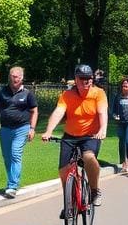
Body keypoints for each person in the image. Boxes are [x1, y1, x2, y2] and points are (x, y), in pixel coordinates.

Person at [42, 64, 109, 206]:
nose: (86, 81)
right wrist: (49, 131)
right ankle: (69, 202)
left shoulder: (98, 93)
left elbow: (102, 111)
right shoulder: (67, 95)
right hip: (70, 136)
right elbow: (59, 112)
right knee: (63, 170)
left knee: (88, 157)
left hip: (91, 136)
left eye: (89, 78)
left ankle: (94, 190)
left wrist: (102, 129)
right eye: (83, 78)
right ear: (76, 80)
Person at [0, 66, 38, 198]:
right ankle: (12, 182)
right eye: (12, 76)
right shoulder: (2, 92)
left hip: (22, 128)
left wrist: (32, 129)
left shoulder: (28, 94)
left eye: (16, 76)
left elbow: (34, 111)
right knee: (7, 157)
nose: (14, 79)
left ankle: (12, 186)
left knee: (15, 153)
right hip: (5, 129)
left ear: (21, 78)